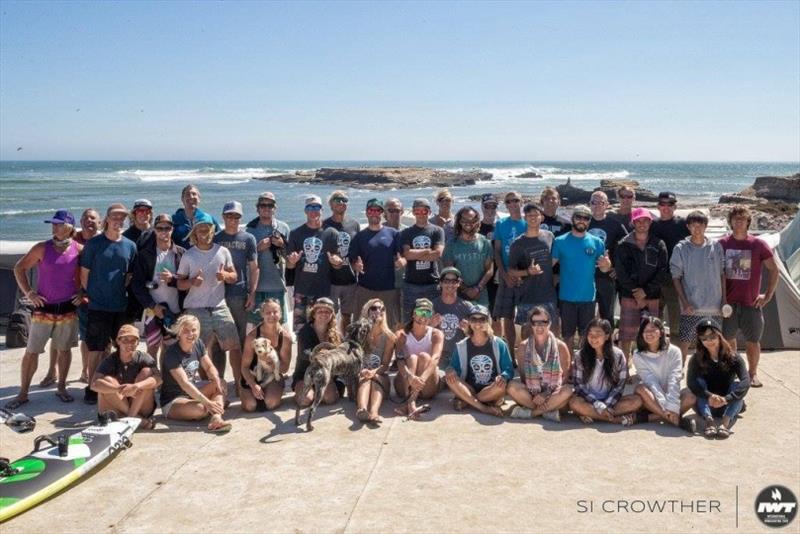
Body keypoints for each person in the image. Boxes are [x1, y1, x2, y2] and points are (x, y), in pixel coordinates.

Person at [7, 210, 82, 409]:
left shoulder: (79, 250)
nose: (54, 227)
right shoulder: (42, 248)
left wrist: (83, 292)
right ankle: (23, 393)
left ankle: (61, 387)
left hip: (67, 309)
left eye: (59, 224)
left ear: (70, 227)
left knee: (64, 350)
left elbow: (87, 274)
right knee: (32, 352)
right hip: (43, 309)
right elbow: (19, 268)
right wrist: (30, 293)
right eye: (53, 224)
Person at [176, 212, 242, 392]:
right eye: (200, 230)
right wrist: (191, 282)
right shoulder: (188, 256)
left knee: (234, 345)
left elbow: (234, 276)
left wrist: (225, 276)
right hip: (196, 309)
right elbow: (179, 285)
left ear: (213, 231)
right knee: (200, 351)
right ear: (195, 233)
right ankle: (209, 387)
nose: (204, 233)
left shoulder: (222, 251)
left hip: (219, 306)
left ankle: (238, 383)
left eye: (207, 229)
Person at [80, 203, 138, 405]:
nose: (118, 221)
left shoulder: (130, 246)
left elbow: (129, 276)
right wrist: (95, 294)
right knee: (95, 350)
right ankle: (91, 386)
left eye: (122, 218)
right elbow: (84, 275)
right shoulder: (94, 244)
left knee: (122, 347)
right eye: (115, 217)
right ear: (107, 219)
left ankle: (119, 384)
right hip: (98, 307)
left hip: (120, 306)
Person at [719, 206, 779, 388]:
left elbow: (774, 270)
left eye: (742, 219)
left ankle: (752, 374)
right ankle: (734, 371)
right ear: (730, 221)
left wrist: (768, 295)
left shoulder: (758, 244)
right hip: (728, 304)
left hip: (751, 303)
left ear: (748, 222)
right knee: (728, 340)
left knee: (753, 341)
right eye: (735, 218)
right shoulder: (722, 244)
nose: (739, 221)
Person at [551, 205, 611, 346]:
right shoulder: (560, 241)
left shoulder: (597, 242)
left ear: (589, 221)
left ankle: (584, 366)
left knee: (587, 337)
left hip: (588, 297)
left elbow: (604, 269)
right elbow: (549, 265)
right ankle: (570, 366)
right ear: (572, 219)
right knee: (567, 337)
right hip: (566, 297)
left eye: (586, 218)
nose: (582, 220)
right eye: (578, 217)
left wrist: (606, 264)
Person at [614, 207, 670, 358]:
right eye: (638, 221)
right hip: (629, 295)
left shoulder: (659, 244)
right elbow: (621, 272)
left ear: (650, 222)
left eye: (645, 220)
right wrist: (637, 292)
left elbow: (662, 271)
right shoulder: (623, 244)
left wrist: (645, 291)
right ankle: (624, 368)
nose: (642, 224)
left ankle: (648, 368)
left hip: (652, 296)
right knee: (626, 335)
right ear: (633, 222)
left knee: (651, 334)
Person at [160, 315, 231, 433]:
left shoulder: (198, 343)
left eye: (194, 330)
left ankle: (216, 418)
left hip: (192, 394)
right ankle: (217, 404)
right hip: (174, 400)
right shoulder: (171, 353)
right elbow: (184, 383)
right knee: (200, 410)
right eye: (186, 331)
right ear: (178, 333)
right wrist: (207, 402)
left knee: (221, 383)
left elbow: (209, 367)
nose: (190, 334)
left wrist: (216, 379)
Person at [670, 210, 726, 361]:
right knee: (685, 341)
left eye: (700, 225)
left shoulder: (716, 246)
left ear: (706, 226)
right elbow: (676, 277)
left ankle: (715, 368)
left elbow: (722, 274)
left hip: (714, 306)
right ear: (688, 227)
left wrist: (724, 300)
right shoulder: (681, 248)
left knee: (714, 341)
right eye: (693, 225)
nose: (697, 228)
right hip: (691, 307)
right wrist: (685, 302)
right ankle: (679, 371)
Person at [212, 201, 259, 376]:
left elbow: (254, 268)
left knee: (239, 342)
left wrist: (252, 294)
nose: (233, 219)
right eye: (229, 215)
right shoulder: (215, 238)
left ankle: (240, 382)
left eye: (236, 216)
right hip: (217, 296)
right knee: (217, 343)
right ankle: (219, 382)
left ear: (241, 217)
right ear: (223, 217)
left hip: (239, 296)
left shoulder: (248, 239)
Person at [568, 318, 643, 425]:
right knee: (574, 403)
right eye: (590, 334)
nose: (593, 338)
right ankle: (615, 419)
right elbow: (579, 386)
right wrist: (598, 405)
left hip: (611, 401)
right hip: (588, 400)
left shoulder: (618, 355)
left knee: (637, 401)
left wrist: (606, 405)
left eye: (598, 334)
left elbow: (620, 386)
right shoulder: (580, 355)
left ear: (607, 336)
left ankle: (590, 414)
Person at [286, 195, 343, 333]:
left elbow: (338, 262)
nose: (313, 211)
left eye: (316, 207)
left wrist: (336, 263)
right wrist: (291, 262)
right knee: (301, 331)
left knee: (324, 331)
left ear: (322, 210)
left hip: (323, 291)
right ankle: (302, 355)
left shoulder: (332, 233)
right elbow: (289, 266)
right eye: (310, 208)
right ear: (305, 211)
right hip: (302, 292)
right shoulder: (295, 234)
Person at [131, 213, 185, 358]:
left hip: (175, 309)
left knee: (170, 350)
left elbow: (187, 282)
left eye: (167, 228)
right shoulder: (145, 255)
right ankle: (153, 379)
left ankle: (166, 380)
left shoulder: (181, 253)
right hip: (152, 310)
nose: (164, 232)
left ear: (172, 229)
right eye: (160, 228)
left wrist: (173, 279)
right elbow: (137, 285)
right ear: (154, 229)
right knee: (152, 348)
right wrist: (153, 306)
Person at [687, 318, 750, 439]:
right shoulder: (696, 359)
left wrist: (727, 399)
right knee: (699, 382)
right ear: (700, 341)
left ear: (719, 336)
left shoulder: (733, 357)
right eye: (704, 338)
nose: (709, 341)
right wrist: (709, 396)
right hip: (705, 403)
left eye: (712, 336)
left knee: (737, 386)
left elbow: (745, 381)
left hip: (728, 403)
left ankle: (725, 423)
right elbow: (691, 382)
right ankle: (709, 421)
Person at [506, 306, 572, 421]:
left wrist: (546, 394)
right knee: (511, 387)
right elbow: (523, 377)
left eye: (543, 322)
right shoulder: (523, 347)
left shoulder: (560, 346)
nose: (539, 326)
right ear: (531, 325)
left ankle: (532, 413)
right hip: (532, 394)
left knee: (568, 391)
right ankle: (548, 411)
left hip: (553, 393)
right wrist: (535, 396)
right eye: (535, 322)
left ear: (549, 323)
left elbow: (565, 377)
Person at [445, 304, 512, 418]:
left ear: (488, 321)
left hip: (491, 389)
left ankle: (468, 400)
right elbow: (453, 367)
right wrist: (449, 370)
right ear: (469, 322)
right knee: (450, 380)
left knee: (501, 386)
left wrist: (503, 377)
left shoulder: (499, 344)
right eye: (473, 319)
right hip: (469, 387)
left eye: (482, 319)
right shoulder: (461, 345)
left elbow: (508, 369)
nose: (477, 323)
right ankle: (484, 407)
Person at [91, 324, 161, 429]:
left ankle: (130, 417)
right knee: (107, 381)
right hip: (117, 405)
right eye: (125, 340)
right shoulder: (110, 360)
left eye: (133, 341)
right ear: (118, 341)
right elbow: (94, 384)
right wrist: (119, 389)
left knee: (147, 373)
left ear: (138, 342)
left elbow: (159, 379)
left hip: (140, 405)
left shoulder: (144, 358)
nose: (129, 344)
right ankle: (135, 418)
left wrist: (136, 386)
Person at [632, 317, 696, 431]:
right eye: (645, 330)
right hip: (651, 398)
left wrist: (672, 405)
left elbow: (674, 378)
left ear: (661, 332)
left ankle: (649, 418)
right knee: (641, 389)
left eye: (653, 329)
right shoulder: (638, 354)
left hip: (671, 394)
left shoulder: (674, 351)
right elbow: (650, 382)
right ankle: (675, 420)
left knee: (691, 396)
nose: (649, 333)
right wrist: (665, 406)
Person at [350, 199, 403, 330]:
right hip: (365, 288)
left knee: (388, 327)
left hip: (388, 289)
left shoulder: (393, 234)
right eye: (371, 210)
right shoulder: (359, 237)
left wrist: (402, 262)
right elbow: (352, 260)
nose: (374, 213)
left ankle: (389, 351)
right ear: (367, 213)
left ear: (382, 213)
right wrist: (356, 265)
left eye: (377, 210)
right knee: (361, 326)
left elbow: (403, 256)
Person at [507, 203, 557, 341]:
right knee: (527, 333)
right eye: (529, 215)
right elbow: (511, 271)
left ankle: (549, 362)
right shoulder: (518, 243)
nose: (533, 218)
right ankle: (525, 362)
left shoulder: (550, 236)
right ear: (525, 218)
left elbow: (555, 260)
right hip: (527, 295)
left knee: (552, 332)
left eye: (536, 215)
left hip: (548, 294)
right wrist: (528, 272)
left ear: (542, 217)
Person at [240, 299, 293, 412]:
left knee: (271, 403)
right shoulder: (252, 336)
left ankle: (275, 390)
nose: (272, 315)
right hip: (253, 373)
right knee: (250, 406)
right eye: (268, 312)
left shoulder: (285, 337)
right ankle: (245, 391)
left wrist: (270, 362)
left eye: (275, 312)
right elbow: (244, 367)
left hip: (272, 373)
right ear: (262, 314)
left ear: (281, 313)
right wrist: (253, 385)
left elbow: (284, 368)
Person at [394, 298, 444, 419]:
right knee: (412, 358)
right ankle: (411, 401)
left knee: (424, 356)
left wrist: (420, 380)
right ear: (413, 314)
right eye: (420, 312)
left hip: (427, 384)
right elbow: (399, 360)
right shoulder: (401, 334)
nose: (424, 316)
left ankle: (410, 402)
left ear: (431, 316)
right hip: (405, 383)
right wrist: (410, 376)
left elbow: (435, 358)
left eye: (427, 313)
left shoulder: (436, 334)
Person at [245, 192, 290, 323]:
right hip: (256, 288)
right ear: (257, 208)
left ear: (274, 208)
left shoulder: (283, 228)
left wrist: (282, 245)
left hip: (277, 285)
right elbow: (244, 259)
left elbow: (291, 257)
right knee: (256, 326)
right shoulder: (250, 229)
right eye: (263, 205)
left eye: (270, 205)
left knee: (277, 325)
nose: (266, 208)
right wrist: (258, 248)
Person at [652, 192, 691, 340]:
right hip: (655, 279)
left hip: (676, 279)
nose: (666, 207)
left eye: (670, 204)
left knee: (676, 321)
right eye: (662, 204)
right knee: (654, 319)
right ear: (658, 206)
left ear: (675, 206)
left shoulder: (683, 224)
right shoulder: (652, 225)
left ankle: (675, 356)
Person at [400, 198, 445, 321]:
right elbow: (407, 255)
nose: (420, 214)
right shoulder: (406, 232)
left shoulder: (437, 231)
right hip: (411, 284)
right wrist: (427, 250)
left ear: (429, 212)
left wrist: (415, 253)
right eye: (417, 211)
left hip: (432, 284)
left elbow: (437, 254)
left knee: (432, 321)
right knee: (409, 321)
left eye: (424, 211)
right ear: (413, 213)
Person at [587, 191, 628, 323]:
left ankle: (607, 343)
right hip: (586, 277)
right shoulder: (583, 223)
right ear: (590, 204)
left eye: (601, 202)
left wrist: (618, 268)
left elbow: (628, 248)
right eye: (594, 202)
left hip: (607, 277)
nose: (597, 205)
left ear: (607, 205)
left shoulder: (614, 224)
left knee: (607, 317)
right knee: (586, 316)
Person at [493, 191, 526, 350]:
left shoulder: (528, 223)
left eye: (516, 200)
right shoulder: (501, 224)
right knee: (507, 318)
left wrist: (522, 275)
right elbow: (497, 251)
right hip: (506, 278)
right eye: (508, 201)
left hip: (526, 279)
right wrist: (505, 275)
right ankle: (511, 356)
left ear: (522, 202)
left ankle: (526, 354)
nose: (512, 204)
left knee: (526, 318)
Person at [293, 298, 342, 407]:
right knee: (304, 401)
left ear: (332, 315)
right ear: (313, 314)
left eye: (327, 312)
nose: (324, 314)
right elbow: (303, 353)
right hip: (305, 374)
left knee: (329, 399)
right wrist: (319, 355)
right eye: (320, 311)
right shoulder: (304, 331)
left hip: (327, 375)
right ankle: (306, 391)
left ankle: (324, 391)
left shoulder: (336, 333)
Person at [355, 298, 397, 424]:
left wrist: (373, 372)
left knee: (375, 378)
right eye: (374, 308)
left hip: (380, 375)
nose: (378, 311)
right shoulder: (358, 333)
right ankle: (362, 410)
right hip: (361, 375)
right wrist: (363, 372)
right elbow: (353, 360)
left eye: (381, 309)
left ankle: (374, 412)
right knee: (366, 379)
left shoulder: (389, 336)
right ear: (366, 312)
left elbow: (385, 365)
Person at [323, 190, 360, 331]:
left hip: (350, 279)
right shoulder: (324, 225)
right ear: (331, 205)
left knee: (347, 316)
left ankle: (344, 344)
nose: (341, 203)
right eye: (338, 200)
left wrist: (358, 264)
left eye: (345, 200)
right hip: (330, 280)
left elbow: (356, 248)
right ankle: (330, 344)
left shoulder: (354, 224)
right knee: (329, 316)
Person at [442, 206, 494, 305]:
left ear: (477, 221)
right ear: (459, 222)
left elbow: (489, 270)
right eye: (464, 220)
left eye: (472, 220)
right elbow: (449, 272)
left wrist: (477, 288)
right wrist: (466, 290)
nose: (468, 223)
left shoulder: (485, 242)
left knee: (482, 320)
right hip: (457, 295)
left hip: (480, 295)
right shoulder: (451, 244)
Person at [73, 208, 102, 383]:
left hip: (101, 298)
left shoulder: (103, 240)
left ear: (99, 223)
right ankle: (85, 370)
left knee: (103, 339)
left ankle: (101, 371)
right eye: (85, 217)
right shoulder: (73, 240)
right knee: (84, 337)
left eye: (93, 218)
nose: (89, 220)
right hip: (79, 298)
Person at [431, 267, 472, 370]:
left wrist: (469, 330)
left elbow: (481, 333)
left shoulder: (467, 306)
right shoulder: (431, 306)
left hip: (460, 357)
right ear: (440, 283)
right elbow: (419, 334)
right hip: (438, 357)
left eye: (454, 281)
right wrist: (430, 325)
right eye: (446, 281)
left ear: (458, 283)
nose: (450, 284)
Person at [172, 184, 220, 249]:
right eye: (187, 194)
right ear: (182, 199)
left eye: (194, 194)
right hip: (182, 258)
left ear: (199, 198)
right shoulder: (174, 220)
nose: (191, 197)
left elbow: (219, 240)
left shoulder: (208, 219)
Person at [383, 197, 407, 323]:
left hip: (405, 283)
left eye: (397, 210)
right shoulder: (378, 231)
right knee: (387, 319)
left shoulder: (407, 232)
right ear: (384, 213)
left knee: (403, 319)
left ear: (402, 211)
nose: (394, 214)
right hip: (385, 284)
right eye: (390, 210)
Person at [478, 193, 500, 322]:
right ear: (482, 207)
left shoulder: (501, 227)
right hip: (479, 277)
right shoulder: (475, 227)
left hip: (497, 277)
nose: (490, 210)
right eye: (487, 206)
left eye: (493, 206)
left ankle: (497, 342)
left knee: (496, 316)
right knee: (478, 314)